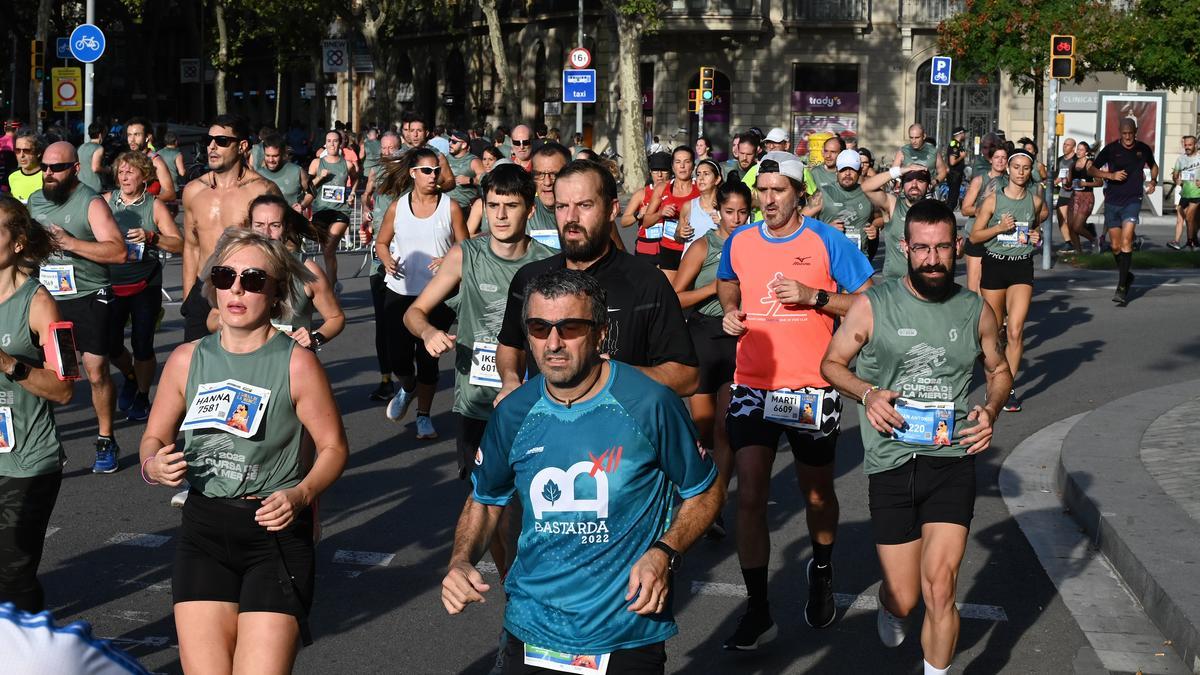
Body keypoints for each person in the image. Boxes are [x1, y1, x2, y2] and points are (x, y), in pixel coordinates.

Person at [441, 268, 723, 674]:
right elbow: (485, 500)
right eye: (539, 328)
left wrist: (664, 553)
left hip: (626, 632)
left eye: (569, 327)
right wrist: (460, 560)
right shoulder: (513, 413)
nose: (553, 343)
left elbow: (705, 491)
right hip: (531, 628)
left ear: (601, 333)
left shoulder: (650, 404)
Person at [139, 228, 347, 673]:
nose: (236, 287)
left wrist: (300, 496)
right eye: (225, 275)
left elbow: (333, 447)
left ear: (275, 295)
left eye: (253, 280)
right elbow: (152, 441)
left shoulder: (296, 362)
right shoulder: (185, 359)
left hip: (273, 536)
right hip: (204, 531)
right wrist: (153, 466)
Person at [820, 198, 1011, 675]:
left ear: (957, 247)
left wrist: (990, 408)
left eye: (942, 249)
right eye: (922, 248)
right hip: (891, 462)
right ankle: (889, 604)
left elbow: (1001, 369)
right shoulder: (872, 305)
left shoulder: (975, 309)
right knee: (906, 598)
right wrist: (867, 395)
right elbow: (830, 364)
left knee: (941, 587)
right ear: (905, 248)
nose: (931, 259)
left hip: (950, 459)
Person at [716, 154, 874, 649]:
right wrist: (729, 311)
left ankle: (822, 568)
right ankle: (758, 609)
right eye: (762, 191)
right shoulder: (741, 240)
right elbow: (726, 281)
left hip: (810, 388)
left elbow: (871, 301)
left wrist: (815, 297)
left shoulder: (826, 240)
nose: (768, 200)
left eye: (778, 190)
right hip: (753, 385)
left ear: (798, 193)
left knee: (817, 494)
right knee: (749, 495)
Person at [496, 160, 699, 404]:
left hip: (622, 433)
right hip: (547, 429)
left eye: (584, 205)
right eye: (562, 206)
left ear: (612, 210)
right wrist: (510, 380)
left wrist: (613, 376)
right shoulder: (529, 278)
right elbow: (510, 344)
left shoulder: (646, 282)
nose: (571, 217)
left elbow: (688, 377)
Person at [27, 142, 127, 473]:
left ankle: (105, 438)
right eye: (45, 167)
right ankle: (48, 443)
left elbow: (118, 252)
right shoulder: (35, 201)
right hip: (50, 300)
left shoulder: (91, 203)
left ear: (75, 168)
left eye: (57, 168)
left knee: (96, 370)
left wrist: (70, 242)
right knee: (54, 374)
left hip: (89, 296)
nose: (49, 173)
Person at [0, 197, 74, 612]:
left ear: (17, 244)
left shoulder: (40, 303)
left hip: (27, 461)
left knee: (12, 576)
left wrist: (10, 364)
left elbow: (64, 390)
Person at [672, 181, 751, 536]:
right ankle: (696, 494)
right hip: (703, 336)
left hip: (739, 339)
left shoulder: (755, 245)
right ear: (717, 211)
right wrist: (715, 288)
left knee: (726, 429)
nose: (736, 218)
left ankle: (715, 504)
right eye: (730, 211)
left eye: (743, 212)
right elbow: (675, 298)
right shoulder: (704, 245)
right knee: (702, 430)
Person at [376, 148, 468, 439]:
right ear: (413, 173)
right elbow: (381, 242)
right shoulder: (397, 207)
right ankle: (408, 386)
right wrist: (386, 259)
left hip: (436, 295)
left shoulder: (450, 207)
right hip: (400, 291)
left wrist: (448, 260)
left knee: (429, 359)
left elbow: (466, 247)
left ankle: (424, 416)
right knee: (398, 359)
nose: (433, 176)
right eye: (426, 171)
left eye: (436, 170)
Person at [180, 115, 281, 342]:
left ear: (242, 146)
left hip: (245, 286)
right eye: (209, 140)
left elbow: (279, 247)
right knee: (195, 366)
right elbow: (191, 247)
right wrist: (189, 298)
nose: (212, 146)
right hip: (203, 289)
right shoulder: (193, 191)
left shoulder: (262, 190)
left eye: (222, 141)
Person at [103, 151, 184, 422]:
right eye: (121, 171)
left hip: (145, 283)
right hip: (111, 283)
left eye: (130, 171)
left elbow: (179, 243)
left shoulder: (154, 205)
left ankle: (141, 394)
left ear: (144, 176)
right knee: (111, 344)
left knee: (142, 344)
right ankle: (129, 375)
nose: (124, 176)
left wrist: (152, 237)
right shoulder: (104, 202)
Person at [969, 151, 1047, 413]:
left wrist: (1036, 237)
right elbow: (975, 237)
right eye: (1016, 167)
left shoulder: (1035, 202)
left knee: (1015, 330)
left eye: (1026, 168)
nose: (1021, 172)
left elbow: (1034, 229)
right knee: (995, 333)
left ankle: (1008, 388)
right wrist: (999, 228)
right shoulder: (993, 200)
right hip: (995, 265)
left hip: (1022, 267)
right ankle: (994, 378)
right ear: (1009, 170)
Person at [247, 195, 344, 350]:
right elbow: (213, 318)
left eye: (274, 225)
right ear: (249, 226)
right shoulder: (234, 267)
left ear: (285, 228)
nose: (265, 233)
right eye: (258, 225)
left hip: (292, 366)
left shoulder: (307, 269)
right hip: (246, 366)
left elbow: (336, 318)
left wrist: (313, 337)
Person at [1089, 118, 1158, 305]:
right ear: (1120, 132)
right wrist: (1110, 175)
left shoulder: (1143, 149)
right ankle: (1127, 276)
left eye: (1131, 133)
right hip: (1112, 201)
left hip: (1133, 200)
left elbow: (1153, 166)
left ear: (1136, 131)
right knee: (1115, 246)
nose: (1128, 137)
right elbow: (1092, 170)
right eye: (1124, 133)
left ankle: (1121, 288)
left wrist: (1153, 181)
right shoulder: (1111, 149)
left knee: (1127, 240)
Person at [861, 163, 933, 283]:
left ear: (928, 186)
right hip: (893, 282)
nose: (914, 185)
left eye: (920, 180)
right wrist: (900, 170)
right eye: (909, 180)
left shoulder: (936, 211)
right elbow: (866, 187)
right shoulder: (893, 205)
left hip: (924, 282)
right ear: (902, 185)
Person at [308, 130, 357, 290]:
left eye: (335, 141)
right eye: (329, 141)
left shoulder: (347, 164)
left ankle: (329, 288)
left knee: (329, 247)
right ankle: (334, 283)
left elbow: (356, 178)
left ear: (340, 143)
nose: (332, 144)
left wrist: (352, 193)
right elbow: (307, 187)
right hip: (320, 210)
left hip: (340, 211)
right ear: (325, 143)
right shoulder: (317, 163)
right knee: (327, 252)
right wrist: (320, 177)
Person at [642, 146, 700, 276]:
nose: (682, 166)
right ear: (673, 167)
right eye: (678, 162)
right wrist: (660, 212)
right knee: (671, 292)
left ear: (693, 166)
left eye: (687, 162)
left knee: (689, 291)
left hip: (694, 248)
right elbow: (646, 222)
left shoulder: (701, 189)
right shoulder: (663, 188)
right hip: (669, 248)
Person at [960, 146, 1009, 292]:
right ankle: (976, 313)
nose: (1000, 161)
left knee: (996, 284)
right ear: (991, 160)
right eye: (997, 157)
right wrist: (981, 211)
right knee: (975, 285)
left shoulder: (1011, 182)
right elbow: (965, 209)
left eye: (1003, 158)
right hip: (977, 235)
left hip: (1000, 237)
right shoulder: (979, 180)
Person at [811, 149, 878, 257]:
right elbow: (799, 221)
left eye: (852, 169)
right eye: (843, 169)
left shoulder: (868, 193)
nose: (847, 173)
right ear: (837, 170)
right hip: (830, 260)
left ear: (860, 171)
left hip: (859, 261)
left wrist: (874, 226)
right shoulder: (823, 192)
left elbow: (879, 217)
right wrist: (826, 228)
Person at [623, 152, 673, 262]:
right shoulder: (642, 194)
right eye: (655, 171)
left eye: (664, 171)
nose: (659, 175)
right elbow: (624, 221)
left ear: (670, 171)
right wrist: (638, 215)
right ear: (650, 172)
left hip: (670, 246)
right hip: (647, 247)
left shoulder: (676, 191)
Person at [525, 143, 571, 248]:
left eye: (554, 174)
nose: (547, 182)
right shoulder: (524, 213)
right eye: (539, 174)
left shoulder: (590, 213)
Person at [674, 158, 723, 251]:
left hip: (715, 263)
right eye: (698, 174)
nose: (701, 178)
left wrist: (722, 224)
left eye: (706, 174)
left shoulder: (725, 207)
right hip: (690, 263)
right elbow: (678, 237)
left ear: (717, 179)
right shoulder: (688, 206)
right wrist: (680, 234)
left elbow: (736, 236)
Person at [123, 117, 176, 202]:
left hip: (149, 213)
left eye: (137, 135)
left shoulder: (155, 161)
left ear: (147, 137)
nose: (132, 140)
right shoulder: (127, 159)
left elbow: (171, 194)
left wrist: (143, 201)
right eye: (129, 135)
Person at [261, 136, 313, 214]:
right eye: (267, 155)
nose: (271, 160)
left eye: (275, 156)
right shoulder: (258, 173)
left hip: (291, 222)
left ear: (282, 154)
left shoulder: (297, 171)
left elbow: (312, 192)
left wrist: (302, 205)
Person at [1066, 142, 1101, 254]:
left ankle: (1094, 240)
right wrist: (1066, 183)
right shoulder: (1073, 165)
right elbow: (1069, 183)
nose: (1078, 151)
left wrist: (1085, 184)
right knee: (1070, 226)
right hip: (1075, 197)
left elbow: (1099, 182)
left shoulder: (1089, 164)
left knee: (1077, 227)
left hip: (1087, 198)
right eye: (1077, 149)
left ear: (1086, 152)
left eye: (1081, 149)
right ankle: (1078, 253)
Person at [1169, 134, 1200, 250]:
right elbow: (1175, 175)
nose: (1187, 147)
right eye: (1185, 145)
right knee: (1180, 217)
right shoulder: (1181, 159)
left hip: (1197, 194)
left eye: (1190, 145)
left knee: (1189, 217)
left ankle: (1191, 242)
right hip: (1185, 193)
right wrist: (1176, 179)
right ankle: (1177, 241)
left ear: (1195, 145)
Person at [446, 130, 484, 212]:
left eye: (454, 142)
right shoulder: (446, 158)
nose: (450, 144)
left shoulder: (473, 161)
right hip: (446, 206)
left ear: (464, 145)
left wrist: (470, 180)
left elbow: (486, 180)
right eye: (449, 140)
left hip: (464, 208)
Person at [8, 131, 44, 204]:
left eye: (27, 151)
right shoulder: (12, 176)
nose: (21, 155)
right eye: (17, 150)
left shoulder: (47, 176)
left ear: (38, 153)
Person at [1053, 138, 1077, 244]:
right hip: (1063, 193)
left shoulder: (1076, 160)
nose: (1064, 146)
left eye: (1067, 145)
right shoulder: (1059, 160)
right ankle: (1069, 244)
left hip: (1075, 194)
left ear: (1073, 147)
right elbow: (1057, 176)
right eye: (1064, 144)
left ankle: (1075, 242)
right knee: (1061, 219)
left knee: (1072, 222)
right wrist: (1053, 182)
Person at [157, 131, 188, 198]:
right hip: (173, 188)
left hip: (160, 188)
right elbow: (182, 173)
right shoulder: (177, 154)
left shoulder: (158, 153)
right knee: (174, 207)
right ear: (176, 141)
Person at [77, 122, 106, 193]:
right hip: (94, 187)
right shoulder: (99, 148)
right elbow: (95, 168)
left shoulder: (81, 147)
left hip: (81, 186)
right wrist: (107, 169)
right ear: (100, 135)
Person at [944, 127, 968, 210]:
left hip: (957, 175)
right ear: (960, 134)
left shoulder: (958, 144)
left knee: (954, 198)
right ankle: (946, 217)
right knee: (952, 200)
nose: (965, 135)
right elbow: (952, 162)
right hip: (954, 175)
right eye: (964, 133)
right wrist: (962, 157)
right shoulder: (954, 144)